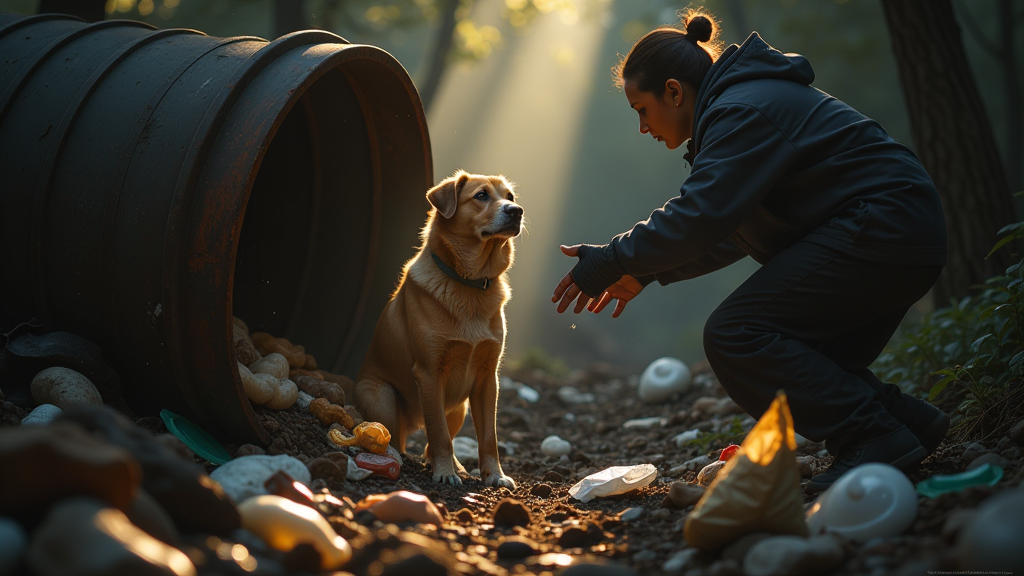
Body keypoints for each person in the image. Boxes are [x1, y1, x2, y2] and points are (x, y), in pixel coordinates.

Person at [551, 10, 949, 493]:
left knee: (737, 333)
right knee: (805, 353)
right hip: (898, 228)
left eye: (641, 109)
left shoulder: (741, 109)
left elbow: (700, 215)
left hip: (884, 225)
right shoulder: (739, 106)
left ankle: (873, 436)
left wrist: (615, 258)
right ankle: (907, 423)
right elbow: (728, 229)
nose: (642, 127)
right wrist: (646, 272)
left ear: (674, 92)